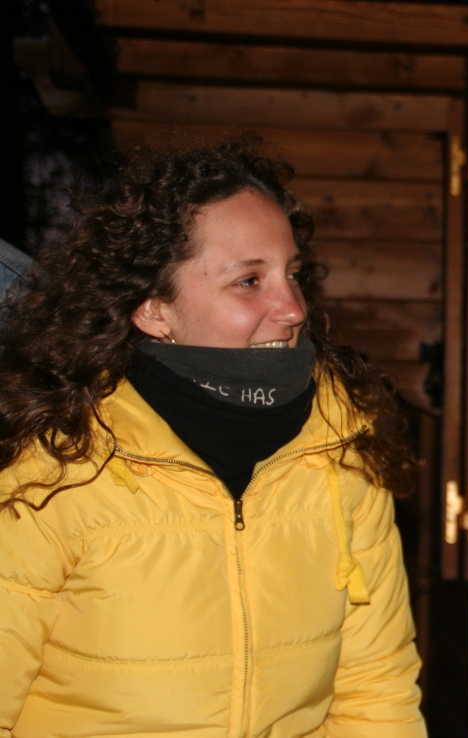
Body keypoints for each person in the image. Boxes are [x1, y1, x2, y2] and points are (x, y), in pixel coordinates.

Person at [0, 136, 426, 736]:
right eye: (249, 281)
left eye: (293, 274)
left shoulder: (341, 449)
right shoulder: (56, 467)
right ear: (154, 309)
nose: (293, 308)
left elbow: (375, 692)